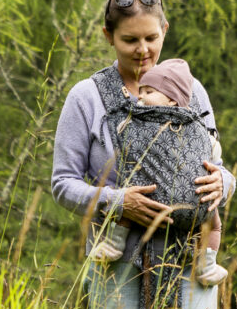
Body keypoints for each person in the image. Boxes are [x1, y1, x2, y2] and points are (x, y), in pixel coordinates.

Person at [50, 0, 235, 309]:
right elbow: (62, 182)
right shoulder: (87, 98)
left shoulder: (192, 90)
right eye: (129, 40)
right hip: (118, 264)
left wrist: (223, 185)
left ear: (165, 30)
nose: (142, 50)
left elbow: (216, 161)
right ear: (108, 37)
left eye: (151, 38)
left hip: (188, 265)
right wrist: (117, 201)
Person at [89, 57, 228, 286]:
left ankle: (115, 243)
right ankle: (206, 264)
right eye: (140, 91)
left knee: (129, 197)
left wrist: (222, 180)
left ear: (173, 99)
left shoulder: (136, 121)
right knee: (213, 225)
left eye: (148, 91)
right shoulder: (196, 125)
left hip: (155, 198)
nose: (140, 96)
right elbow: (213, 151)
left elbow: (218, 168)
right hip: (177, 202)